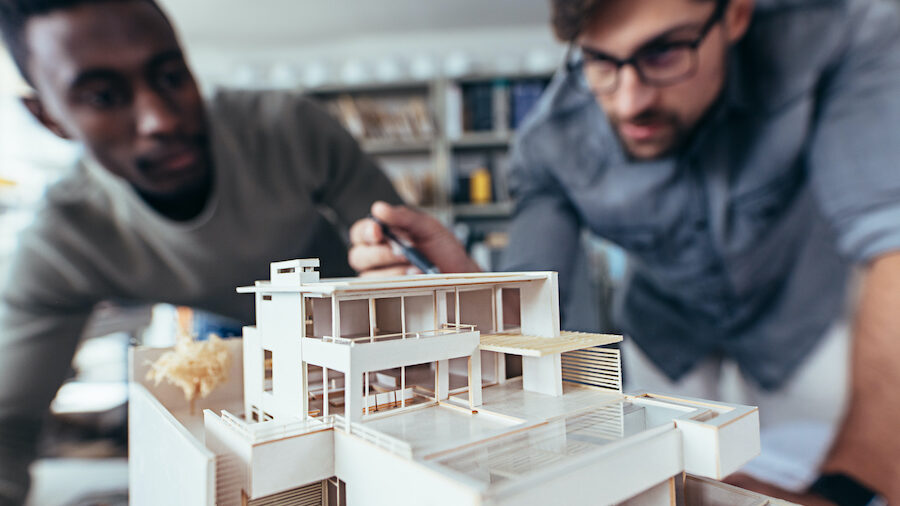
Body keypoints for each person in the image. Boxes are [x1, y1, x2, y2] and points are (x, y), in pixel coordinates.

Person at [350, 0, 900, 502]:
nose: (629, 101)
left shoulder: (844, 38)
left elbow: (892, 236)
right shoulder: (549, 144)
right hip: (668, 335)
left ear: (734, 14)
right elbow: (533, 307)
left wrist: (848, 486)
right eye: (600, 61)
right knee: (682, 476)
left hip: (800, 318)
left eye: (664, 51)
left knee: (816, 467)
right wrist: (468, 289)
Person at [0, 0, 401, 503]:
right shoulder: (62, 241)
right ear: (48, 116)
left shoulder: (290, 128)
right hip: (223, 332)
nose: (159, 120)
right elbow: (7, 424)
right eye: (103, 95)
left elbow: (401, 253)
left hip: (352, 324)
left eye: (170, 76)